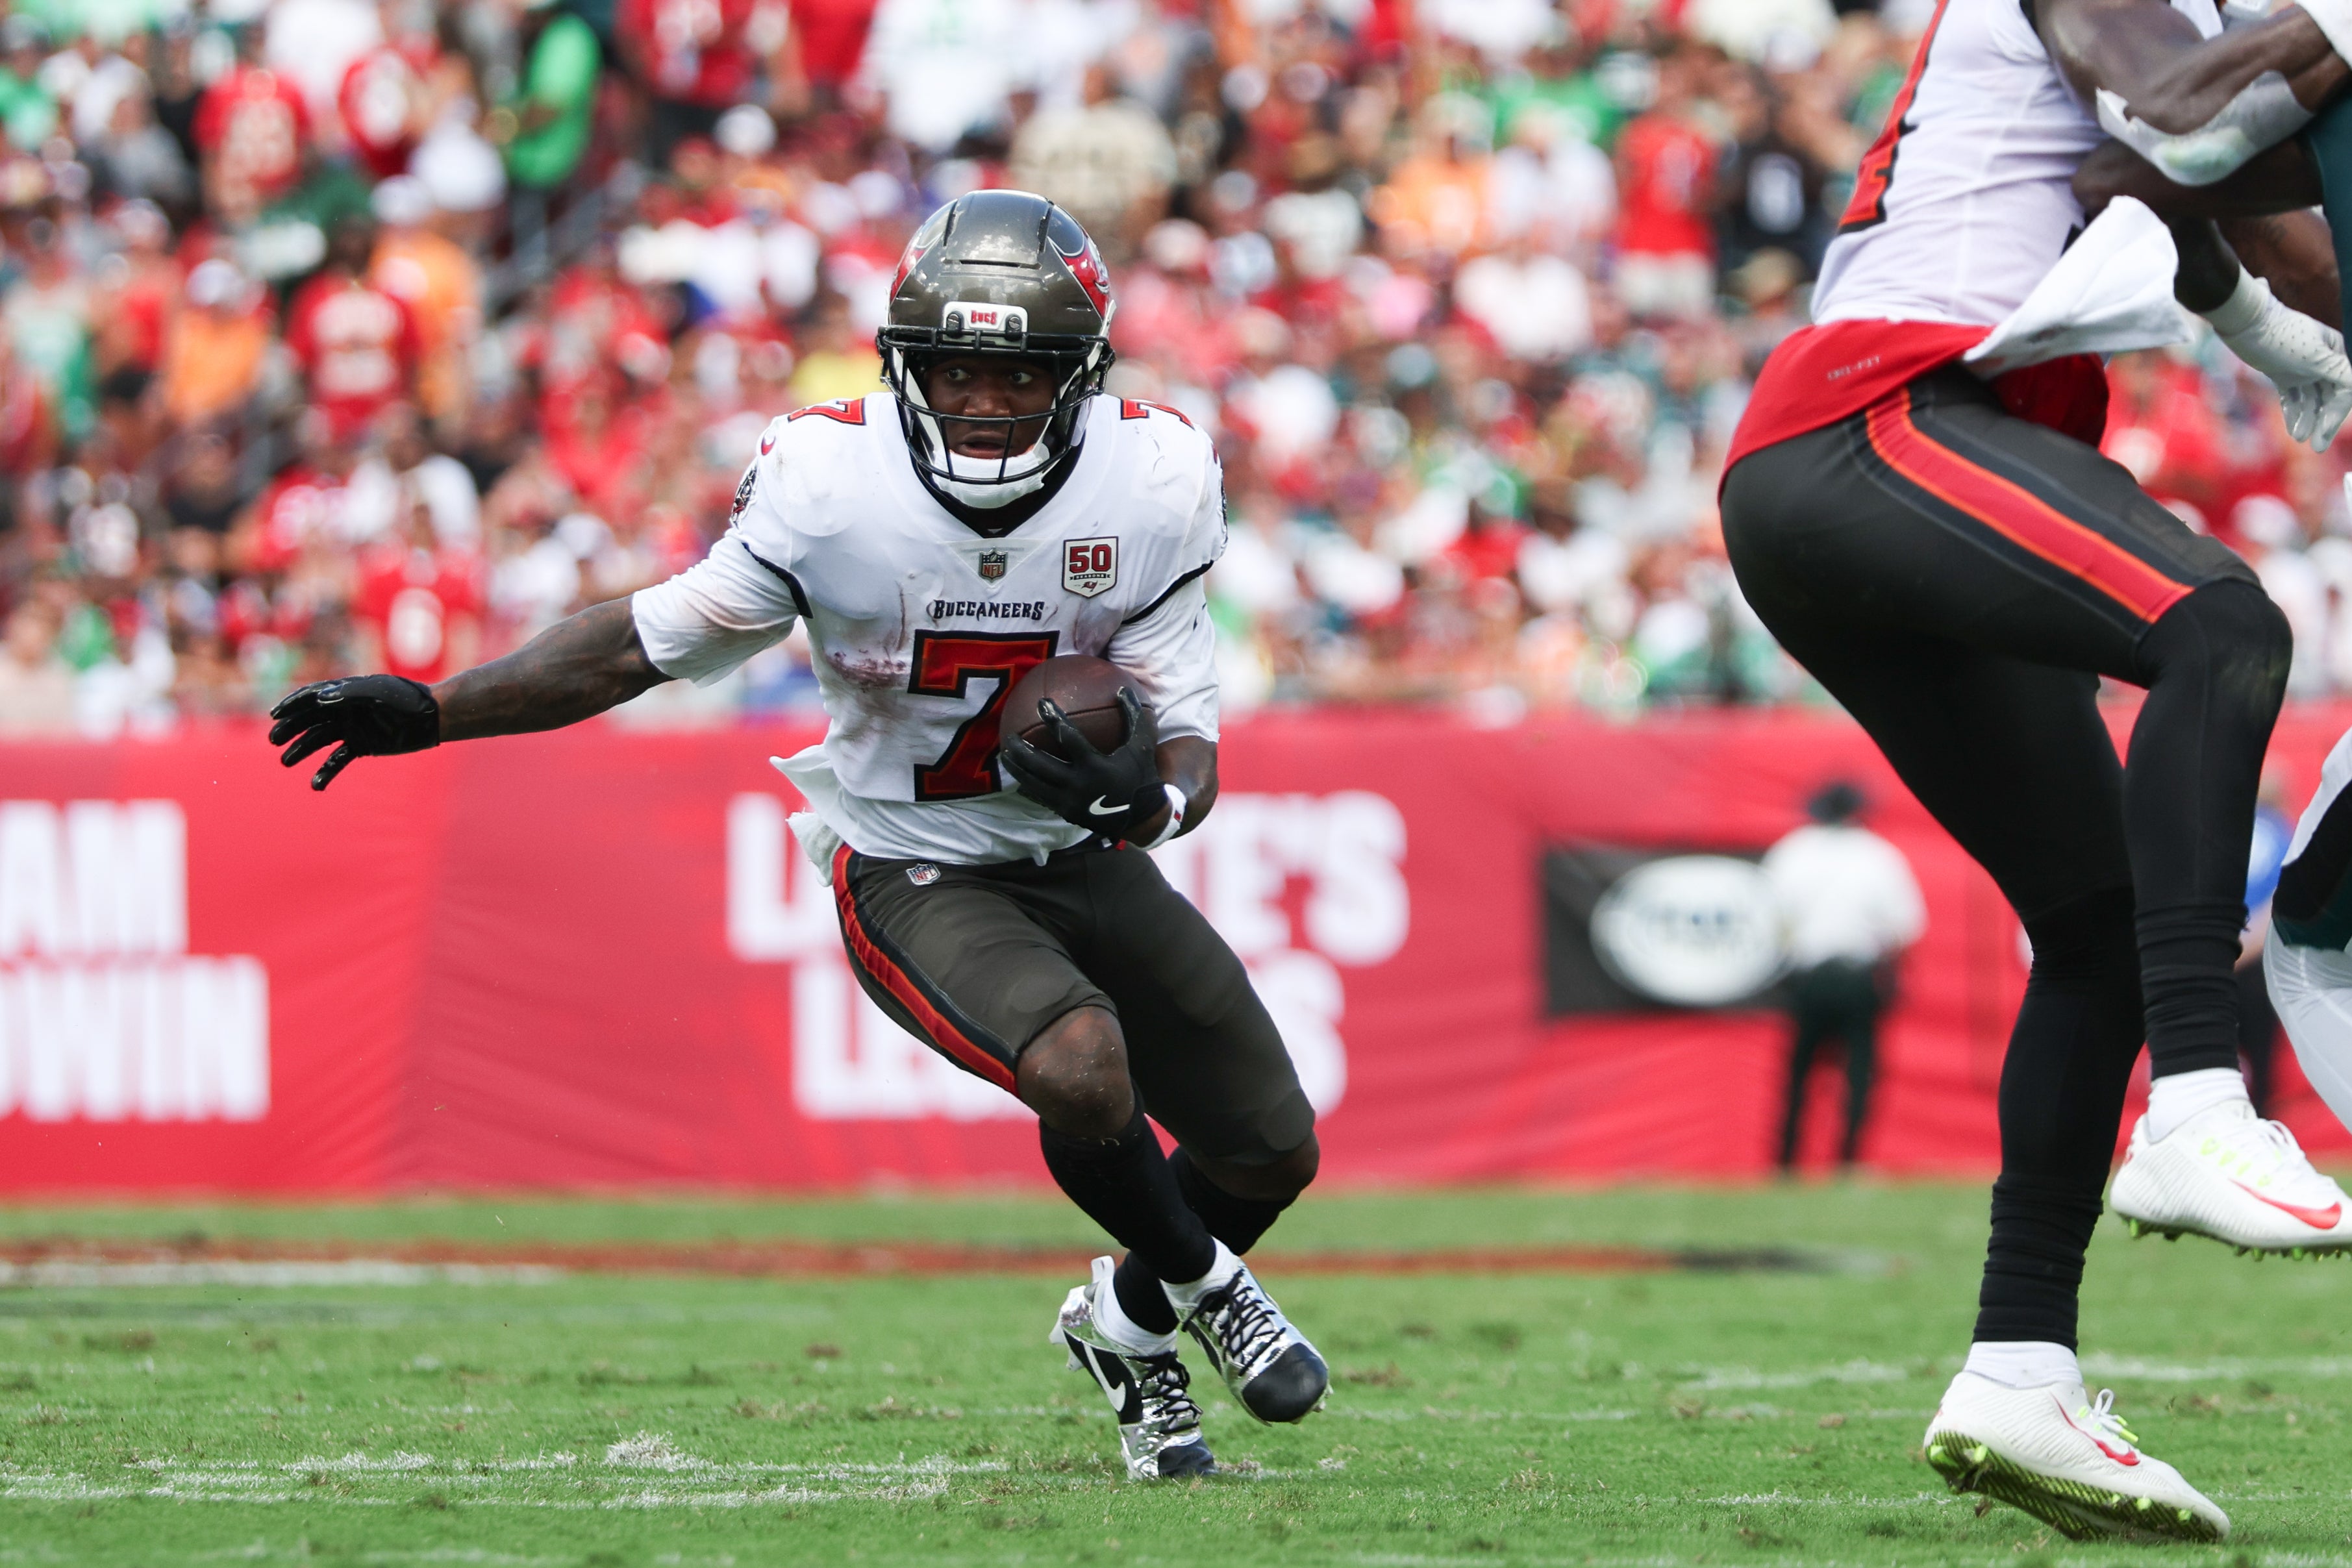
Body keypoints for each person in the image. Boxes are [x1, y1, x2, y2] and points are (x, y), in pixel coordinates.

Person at [262, 191, 1328, 1483]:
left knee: (1269, 1143)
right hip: (914, 864)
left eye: (1016, 370)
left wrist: (1139, 802)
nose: (983, 400)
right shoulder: (830, 483)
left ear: (1081, 377)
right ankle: (1214, 1290)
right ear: (901, 366)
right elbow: (637, 643)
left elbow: (1187, 751)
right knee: (1083, 1064)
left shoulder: (1151, 478)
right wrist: (438, 708)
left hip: (1080, 858)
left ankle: (1126, 1325)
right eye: (954, 366)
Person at [1717, 0, 2352, 1543]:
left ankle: (2018, 1369)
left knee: (2094, 935)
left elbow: (2198, 199)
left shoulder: (2206, 34)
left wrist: (2286, 336)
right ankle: (2199, 1104)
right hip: (1873, 419)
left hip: (1886, 465)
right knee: (2217, 626)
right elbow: (2178, 127)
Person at [1764, 780, 1925, 1173]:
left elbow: (1771, 920)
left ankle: (1786, 1163)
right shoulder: (1878, 855)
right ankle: (1848, 1162)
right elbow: (1905, 929)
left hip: (1807, 976)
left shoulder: (1792, 851)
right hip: (1858, 977)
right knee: (1859, 1073)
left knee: (1799, 1074)